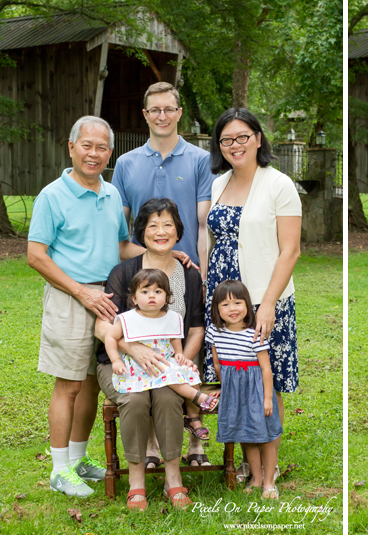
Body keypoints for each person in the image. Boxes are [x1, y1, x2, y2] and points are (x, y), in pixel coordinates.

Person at [27, 116, 143, 497]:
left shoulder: (111, 196)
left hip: (108, 300)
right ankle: (59, 469)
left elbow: (122, 247)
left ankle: (78, 460)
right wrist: (81, 292)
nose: (94, 154)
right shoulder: (52, 196)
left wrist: (163, 253)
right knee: (70, 384)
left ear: (111, 152)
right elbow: (36, 256)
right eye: (87, 146)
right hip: (71, 297)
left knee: (92, 382)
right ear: (72, 146)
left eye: (102, 148)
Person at [205, 108, 301, 481]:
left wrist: (269, 305)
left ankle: (269, 469)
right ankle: (249, 462)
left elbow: (290, 251)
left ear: (259, 138)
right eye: (227, 139)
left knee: (268, 380)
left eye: (243, 136)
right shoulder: (219, 183)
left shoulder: (279, 184)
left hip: (264, 298)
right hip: (225, 299)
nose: (235, 145)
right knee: (234, 376)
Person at [94, 198, 206, 510]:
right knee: (135, 399)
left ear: (178, 231)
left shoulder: (189, 275)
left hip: (168, 365)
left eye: (168, 224)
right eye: (152, 225)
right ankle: (136, 481)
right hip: (122, 364)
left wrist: (181, 359)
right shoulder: (124, 271)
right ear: (141, 232)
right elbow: (102, 327)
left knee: (170, 397)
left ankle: (173, 478)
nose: (161, 231)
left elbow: (195, 328)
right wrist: (133, 348)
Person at [112, 81, 215, 272]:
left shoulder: (202, 161)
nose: (162, 116)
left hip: (190, 272)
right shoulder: (125, 164)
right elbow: (119, 238)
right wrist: (158, 256)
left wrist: (203, 278)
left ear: (179, 113)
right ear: (145, 114)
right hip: (141, 277)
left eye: (168, 109)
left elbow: (205, 229)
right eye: (155, 110)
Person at [104, 269, 218, 432]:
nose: (152, 296)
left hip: (165, 360)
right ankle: (196, 397)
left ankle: (193, 417)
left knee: (190, 371)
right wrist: (115, 360)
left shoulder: (171, 317)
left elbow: (174, 338)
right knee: (168, 373)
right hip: (140, 366)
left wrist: (179, 353)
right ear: (135, 298)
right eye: (145, 291)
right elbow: (110, 337)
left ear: (166, 298)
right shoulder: (128, 319)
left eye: (158, 291)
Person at [207, 280, 283, 499]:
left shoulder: (254, 333)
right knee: (245, 435)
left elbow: (266, 369)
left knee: (265, 437)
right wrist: (225, 388)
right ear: (216, 309)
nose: (232, 309)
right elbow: (218, 363)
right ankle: (256, 479)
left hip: (256, 390)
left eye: (238, 302)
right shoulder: (215, 332)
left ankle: (269, 482)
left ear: (248, 305)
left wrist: (268, 398)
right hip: (234, 391)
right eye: (225, 304)